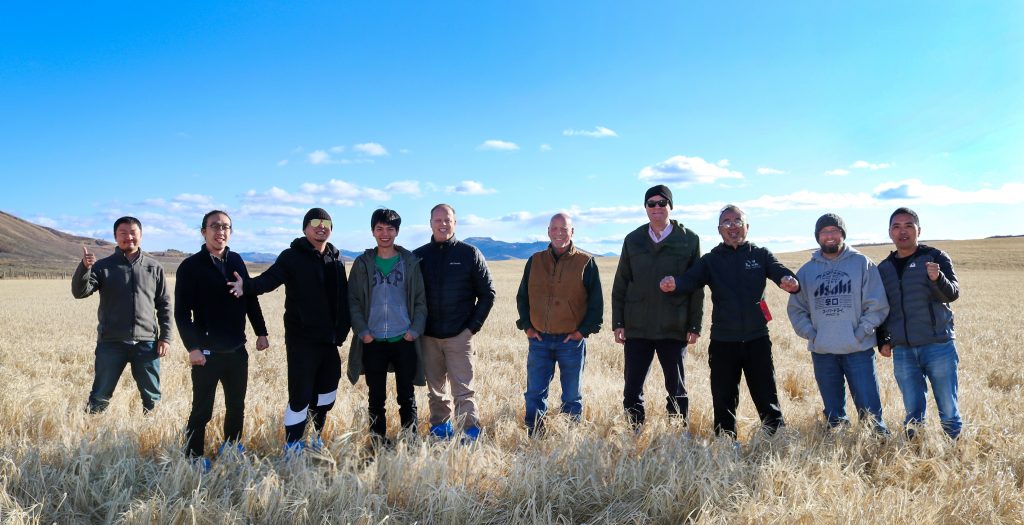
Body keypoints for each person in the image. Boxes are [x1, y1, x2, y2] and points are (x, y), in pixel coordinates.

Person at [659, 205, 799, 438]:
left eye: (737, 221)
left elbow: (779, 271)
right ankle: (726, 441)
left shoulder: (760, 254)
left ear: (747, 226)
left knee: (766, 393)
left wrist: (789, 281)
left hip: (757, 339)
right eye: (727, 222)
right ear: (719, 229)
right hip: (724, 340)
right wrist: (674, 283)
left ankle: (775, 438)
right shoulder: (712, 260)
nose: (732, 227)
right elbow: (690, 279)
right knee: (723, 397)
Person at [228, 207, 351, 454]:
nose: (321, 226)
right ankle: (292, 445)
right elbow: (269, 280)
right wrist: (247, 286)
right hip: (302, 341)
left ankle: (316, 436)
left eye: (326, 222)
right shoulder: (292, 256)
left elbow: (343, 298)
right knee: (300, 394)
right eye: (315, 222)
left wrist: (343, 330)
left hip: (329, 341)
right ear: (305, 228)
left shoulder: (336, 258)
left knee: (327, 392)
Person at [176, 210, 270, 466]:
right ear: (203, 231)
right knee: (202, 409)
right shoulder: (191, 266)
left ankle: (231, 447)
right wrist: (192, 347)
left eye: (226, 227)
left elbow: (250, 297)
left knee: (236, 405)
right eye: (214, 226)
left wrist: (261, 331)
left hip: (237, 349)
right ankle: (194, 456)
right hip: (206, 353)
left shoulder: (237, 260)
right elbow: (182, 313)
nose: (221, 231)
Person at [612, 184, 704, 430]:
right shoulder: (633, 240)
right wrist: (618, 323)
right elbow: (621, 282)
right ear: (645, 208)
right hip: (638, 326)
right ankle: (634, 431)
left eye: (662, 203)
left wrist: (695, 324)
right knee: (632, 387)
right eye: (651, 204)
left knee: (676, 387)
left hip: (672, 326)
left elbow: (697, 285)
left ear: (670, 207)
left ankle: (677, 434)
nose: (656, 208)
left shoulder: (689, 240)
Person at [787, 213, 890, 433]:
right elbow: (797, 309)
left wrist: (860, 333)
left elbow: (877, 304)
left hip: (858, 349)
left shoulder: (862, 263)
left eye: (834, 231)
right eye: (824, 232)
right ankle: (837, 447)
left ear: (843, 234)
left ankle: (877, 443)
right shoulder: (807, 271)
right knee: (834, 414)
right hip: (823, 351)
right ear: (818, 237)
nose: (830, 236)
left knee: (870, 411)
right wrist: (812, 334)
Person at [877, 207, 963, 439]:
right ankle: (915, 451)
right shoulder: (883, 268)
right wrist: (883, 339)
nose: (902, 231)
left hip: (938, 346)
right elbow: (883, 309)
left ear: (918, 230)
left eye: (908, 226)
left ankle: (953, 451)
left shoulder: (935, 257)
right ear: (890, 233)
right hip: (903, 350)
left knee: (948, 408)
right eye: (896, 226)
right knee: (913, 411)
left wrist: (938, 278)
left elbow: (952, 294)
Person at [72, 216, 172, 414]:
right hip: (111, 343)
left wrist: (166, 337)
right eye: (123, 233)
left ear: (141, 235)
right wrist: (84, 268)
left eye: (133, 232)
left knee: (152, 399)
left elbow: (164, 305)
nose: (129, 237)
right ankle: (90, 439)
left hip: (147, 344)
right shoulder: (103, 267)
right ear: (115, 237)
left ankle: (152, 439)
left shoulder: (154, 267)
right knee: (99, 397)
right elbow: (79, 292)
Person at [413, 204, 496, 442]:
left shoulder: (469, 254)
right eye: (438, 220)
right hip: (429, 336)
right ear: (430, 223)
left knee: (463, 389)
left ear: (455, 223)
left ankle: (469, 431)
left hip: (459, 335)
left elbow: (488, 293)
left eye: (447, 220)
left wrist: (471, 328)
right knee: (436, 391)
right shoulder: (419, 256)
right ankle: (440, 429)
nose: (443, 224)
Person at [516, 213, 603, 436]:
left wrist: (582, 332)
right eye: (554, 229)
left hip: (570, 342)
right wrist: (527, 326)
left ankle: (569, 436)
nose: (559, 233)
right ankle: (535, 434)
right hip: (539, 340)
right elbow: (522, 297)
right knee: (535, 392)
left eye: (564, 229)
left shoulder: (585, 262)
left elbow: (596, 303)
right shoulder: (535, 261)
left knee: (572, 395)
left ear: (572, 232)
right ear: (548, 231)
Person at [346, 208, 428, 446]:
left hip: (403, 339)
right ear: (373, 231)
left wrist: (414, 331)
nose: (385, 234)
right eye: (380, 229)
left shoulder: (409, 262)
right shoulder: (362, 264)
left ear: (397, 232)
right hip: (373, 341)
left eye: (390, 229)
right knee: (376, 398)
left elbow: (421, 301)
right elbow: (353, 301)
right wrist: (363, 332)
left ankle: (410, 440)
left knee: (407, 395)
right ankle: (377, 441)